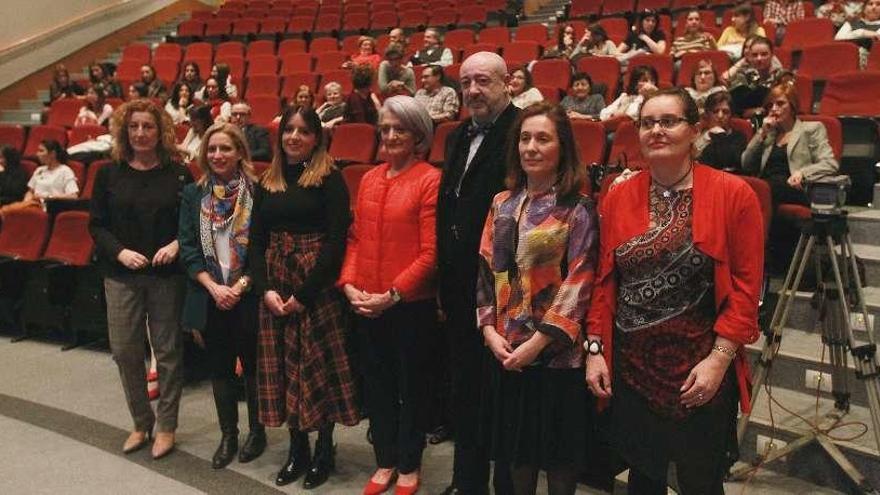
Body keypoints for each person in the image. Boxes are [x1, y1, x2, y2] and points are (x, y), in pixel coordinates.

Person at [586, 87, 763, 494]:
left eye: (669, 121)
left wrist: (719, 361)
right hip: (632, 369)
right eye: (648, 123)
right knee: (642, 480)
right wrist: (595, 349)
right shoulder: (619, 194)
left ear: (694, 129)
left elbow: (745, 289)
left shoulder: (733, 194)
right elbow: (605, 282)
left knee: (700, 482)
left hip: (699, 371)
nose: (657, 131)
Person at [477, 102, 598, 495]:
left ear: (562, 148)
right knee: (517, 461)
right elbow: (486, 269)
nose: (531, 146)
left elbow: (580, 282)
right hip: (507, 352)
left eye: (543, 138)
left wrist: (539, 342)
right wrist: (489, 330)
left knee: (559, 463)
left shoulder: (577, 209)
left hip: (556, 357)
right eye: (525, 138)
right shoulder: (502, 203)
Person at [250, 105, 360, 489]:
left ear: (317, 138)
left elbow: (335, 242)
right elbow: (256, 241)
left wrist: (304, 294)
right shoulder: (268, 180)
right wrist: (264, 289)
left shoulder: (330, 178)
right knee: (284, 369)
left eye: (303, 131)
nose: (294, 137)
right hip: (275, 284)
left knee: (318, 369)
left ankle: (324, 450)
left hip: (314, 287)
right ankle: (297, 449)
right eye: (288, 130)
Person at [339, 95, 440, 495]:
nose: (391, 135)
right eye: (385, 129)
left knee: (411, 387)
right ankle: (384, 461)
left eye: (400, 128)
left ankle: (410, 464)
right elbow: (354, 240)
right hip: (365, 302)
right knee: (376, 386)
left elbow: (431, 253)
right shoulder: (368, 178)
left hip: (408, 306)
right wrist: (348, 284)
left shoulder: (430, 179)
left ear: (417, 135)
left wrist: (392, 294)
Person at [88, 99, 193, 460]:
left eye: (148, 126)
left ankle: (166, 427)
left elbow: (192, 223)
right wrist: (119, 252)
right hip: (121, 275)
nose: (140, 133)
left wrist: (177, 244)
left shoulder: (179, 173)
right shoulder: (108, 173)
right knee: (124, 351)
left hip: (165, 277)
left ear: (160, 130)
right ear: (123, 131)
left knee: (167, 353)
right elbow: (97, 225)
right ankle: (140, 422)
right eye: (133, 127)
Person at [436, 51, 517, 495]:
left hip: (506, 287)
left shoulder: (523, 130)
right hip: (460, 283)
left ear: (508, 83)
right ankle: (467, 482)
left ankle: (504, 485)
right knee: (464, 389)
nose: (472, 91)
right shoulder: (456, 135)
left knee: (501, 395)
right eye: (466, 83)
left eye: (483, 81)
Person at [179, 123, 265, 469]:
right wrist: (214, 287)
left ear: (240, 152)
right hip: (210, 295)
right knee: (220, 369)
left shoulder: (258, 192)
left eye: (225, 148)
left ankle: (257, 432)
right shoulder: (193, 194)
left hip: (247, 294)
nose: (217, 155)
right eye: (212, 149)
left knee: (253, 369)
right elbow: (188, 247)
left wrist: (240, 286)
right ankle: (228, 435)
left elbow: (263, 248)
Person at [742, 82, 839, 208]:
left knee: (767, 188)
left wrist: (802, 173)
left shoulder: (811, 129)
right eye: (770, 105)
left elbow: (830, 164)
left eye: (780, 104)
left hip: (793, 188)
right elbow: (746, 164)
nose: (773, 109)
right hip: (767, 188)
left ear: (793, 106)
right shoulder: (768, 134)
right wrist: (762, 133)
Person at [0, 140, 78, 218]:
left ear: (52, 154)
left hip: (49, 206)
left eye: (41, 151)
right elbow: (30, 191)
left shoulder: (65, 171)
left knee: (5, 211)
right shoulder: (40, 170)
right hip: (32, 204)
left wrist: (48, 197)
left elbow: (73, 196)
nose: (37, 154)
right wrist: (25, 203)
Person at [727, 36, 784, 118]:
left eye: (764, 54)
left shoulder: (782, 76)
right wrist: (746, 112)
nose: (759, 58)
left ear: (772, 55)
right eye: (755, 55)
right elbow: (731, 103)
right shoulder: (747, 75)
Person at [696, 91, 748, 172]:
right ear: (708, 114)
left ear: (731, 115)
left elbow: (729, 163)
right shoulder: (698, 133)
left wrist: (721, 136)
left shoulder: (738, 137)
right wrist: (705, 139)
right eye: (715, 111)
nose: (720, 116)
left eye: (725, 112)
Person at [834, 0, 880, 68]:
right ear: (864, 8)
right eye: (870, 4)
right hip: (846, 58)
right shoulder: (851, 23)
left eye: (878, 4)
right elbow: (838, 39)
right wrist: (862, 32)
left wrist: (853, 35)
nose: (874, 7)